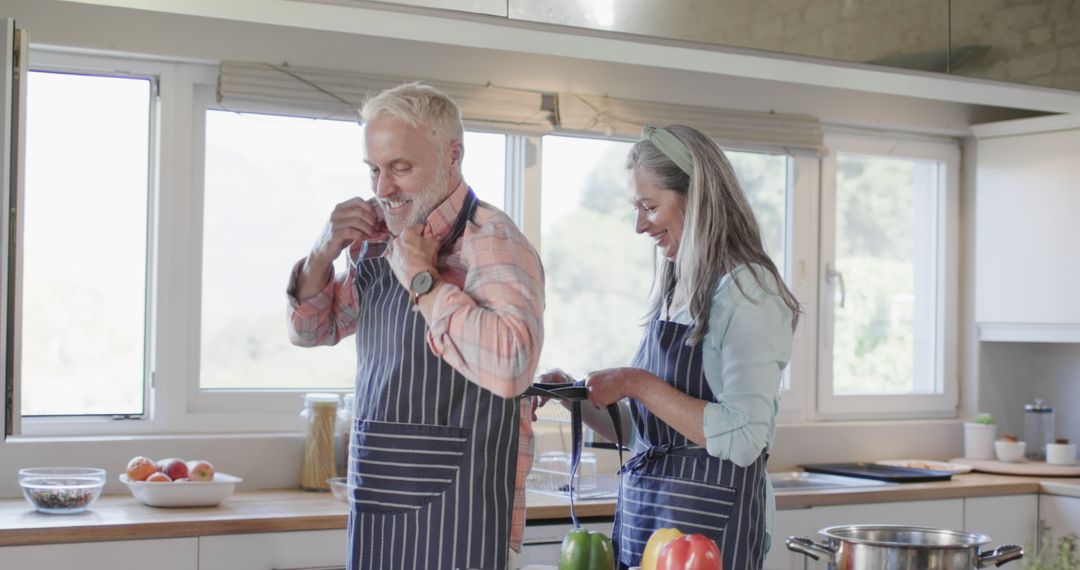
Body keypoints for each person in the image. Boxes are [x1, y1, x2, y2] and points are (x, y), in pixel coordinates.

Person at [286, 82, 544, 570]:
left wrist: (423, 283)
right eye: (375, 169)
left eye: (400, 168)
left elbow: (513, 364)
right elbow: (311, 330)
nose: (383, 188)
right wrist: (323, 252)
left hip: (460, 517)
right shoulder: (378, 241)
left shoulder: (490, 241)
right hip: (377, 501)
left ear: (453, 155)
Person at [537, 124, 799, 570]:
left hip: (708, 526)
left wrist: (634, 381)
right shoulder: (679, 288)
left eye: (650, 207)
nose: (640, 226)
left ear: (696, 200)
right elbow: (656, 434)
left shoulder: (748, 291)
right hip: (650, 517)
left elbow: (741, 438)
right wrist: (573, 398)